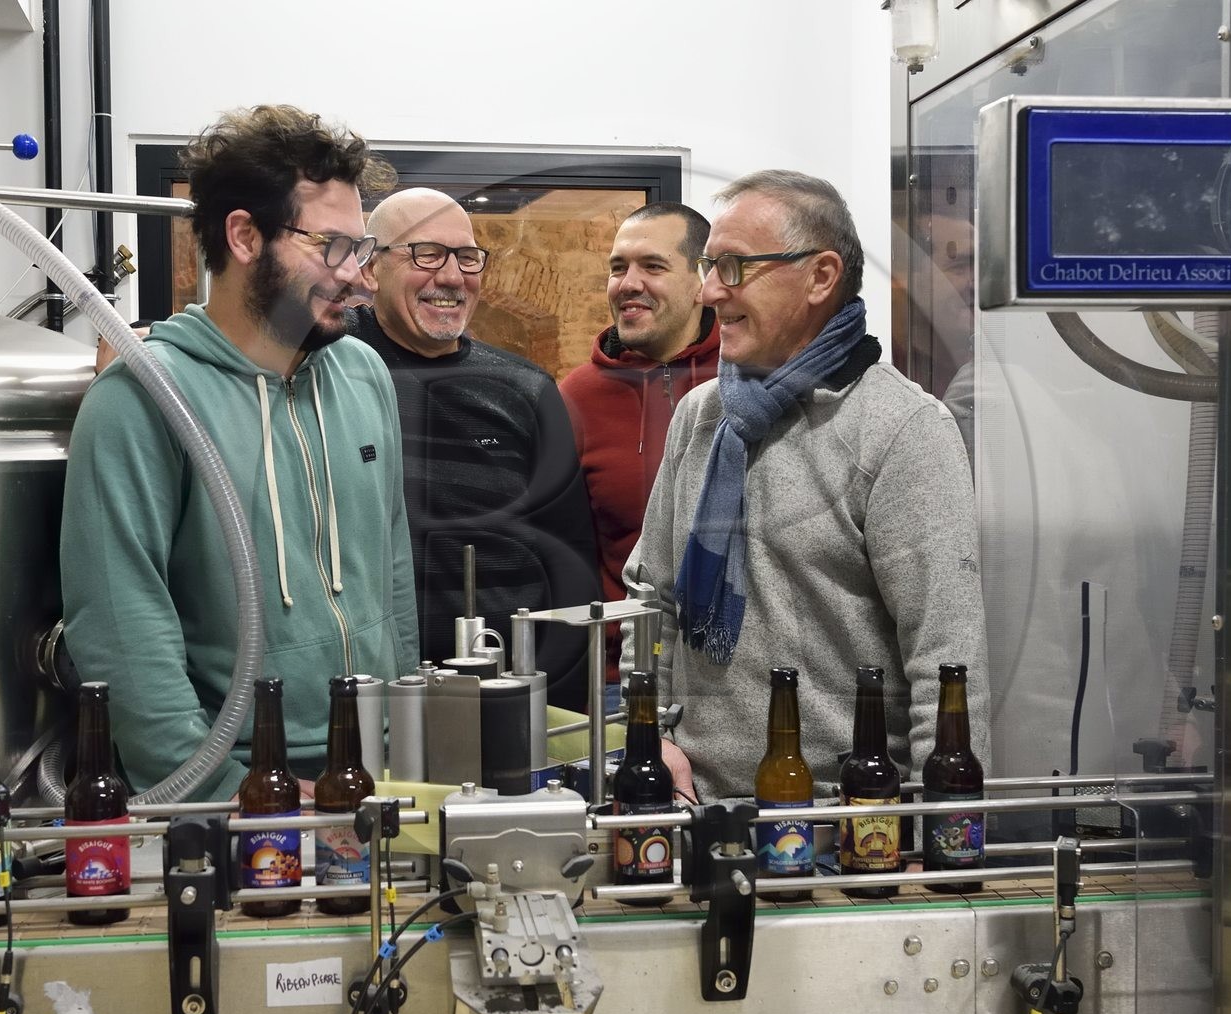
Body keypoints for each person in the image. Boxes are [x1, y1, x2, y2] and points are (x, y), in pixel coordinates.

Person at [62, 105, 418, 803]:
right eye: (335, 248)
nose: (363, 278)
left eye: (364, 251)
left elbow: (392, 570)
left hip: (374, 772)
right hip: (243, 790)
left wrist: (404, 741)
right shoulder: (140, 397)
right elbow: (121, 628)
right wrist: (227, 794)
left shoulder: (363, 374)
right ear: (245, 236)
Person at [621, 169, 990, 803]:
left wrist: (939, 837)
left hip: (845, 825)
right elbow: (653, 601)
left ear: (820, 276)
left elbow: (947, 661)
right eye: (710, 266)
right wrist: (651, 739)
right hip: (696, 810)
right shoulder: (702, 415)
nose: (709, 291)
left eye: (733, 267)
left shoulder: (903, 430)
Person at [347, 188, 599, 711]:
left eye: (467, 257)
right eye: (426, 254)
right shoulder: (328, 369)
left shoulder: (524, 387)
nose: (452, 276)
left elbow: (570, 557)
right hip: (367, 690)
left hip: (503, 687)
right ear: (371, 269)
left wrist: (564, 708)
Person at [560, 203, 720, 709]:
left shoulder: (747, 380)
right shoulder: (578, 397)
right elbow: (565, 557)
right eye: (617, 267)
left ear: (702, 280)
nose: (628, 283)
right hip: (620, 683)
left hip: (735, 680)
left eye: (653, 266)